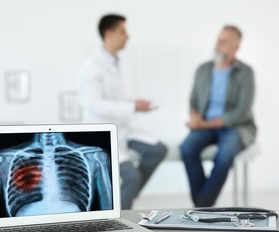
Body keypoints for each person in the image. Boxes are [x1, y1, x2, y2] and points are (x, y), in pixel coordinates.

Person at [77, 14, 167, 209]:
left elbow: (113, 100)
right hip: (100, 132)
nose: (128, 36)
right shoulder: (92, 66)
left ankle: (122, 199)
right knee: (132, 177)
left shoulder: (114, 63)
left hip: (122, 128)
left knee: (159, 149)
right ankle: (119, 218)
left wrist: (134, 103)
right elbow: (92, 104)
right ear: (109, 33)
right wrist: (132, 107)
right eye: (123, 31)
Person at [180, 25, 256, 207]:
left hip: (235, 127)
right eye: (218, 39)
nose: (218, 44)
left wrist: (204, 125)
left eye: (224, 41)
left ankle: (202, 205)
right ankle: (204, 203)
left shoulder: (245, 72)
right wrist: (194, 116)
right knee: (187, 148)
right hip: (204, 126)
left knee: (224, 155)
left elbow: (242, 112)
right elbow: (193, 102)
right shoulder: (203, 69)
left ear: (236, 48)